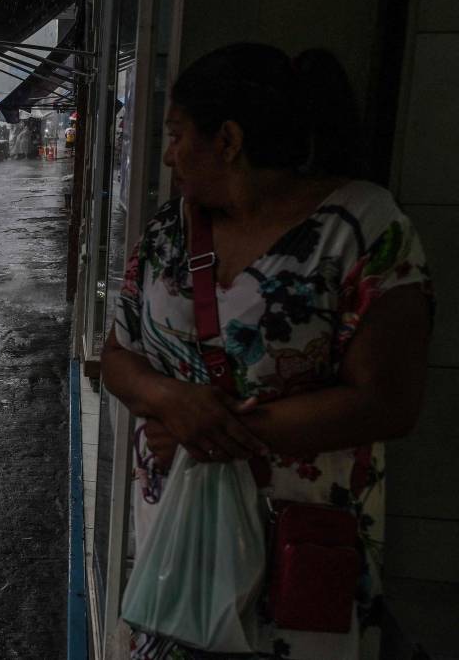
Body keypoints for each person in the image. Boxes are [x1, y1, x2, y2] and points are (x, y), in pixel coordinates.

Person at [101, 43, 433, 660]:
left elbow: (387, 401)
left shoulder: (363, 227)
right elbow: (118, 355)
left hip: (301, 544)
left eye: (176, 134)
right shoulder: (169, 234)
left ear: (227, 139)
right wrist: (171, 400)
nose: (168, 154)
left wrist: (207, 432)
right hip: (175, 541)